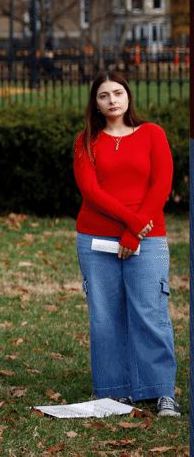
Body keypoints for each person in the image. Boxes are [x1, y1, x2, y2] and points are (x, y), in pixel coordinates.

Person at [72, 72, 179, 417]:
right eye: (104, 96)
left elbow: (161, 184)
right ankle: (113, 393)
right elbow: (91, 191)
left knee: (151, 313)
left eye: (117, 93)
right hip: (96, 238)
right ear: (96, 103)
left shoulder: (152, 134)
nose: (112, 100)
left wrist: (135, 233)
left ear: (128, 96)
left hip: (147, 237)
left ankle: (161, 391)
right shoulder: (86, 141)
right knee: (105, 317)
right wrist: (132, 222)